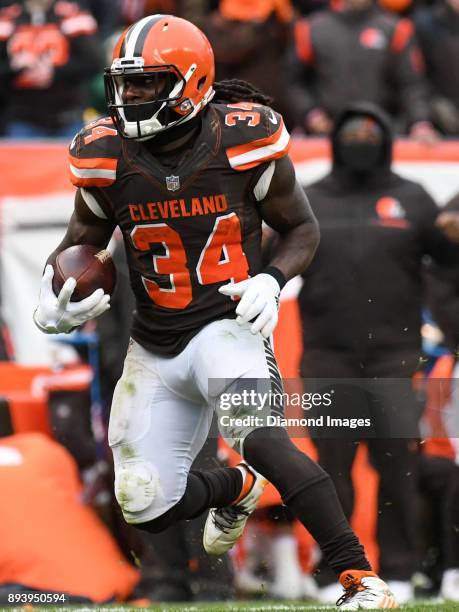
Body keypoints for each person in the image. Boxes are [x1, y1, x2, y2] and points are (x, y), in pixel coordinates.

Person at [33, 15, 397, 609]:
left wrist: (272, 279)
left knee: (262, 438)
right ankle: (236, 489)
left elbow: (301, 227)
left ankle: (361, 580)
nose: (131, 98)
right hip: (152, 343)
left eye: (148, 83)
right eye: (125, 84)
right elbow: (83, 239)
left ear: (192, 81)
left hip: (227, 327)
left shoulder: (241, 137)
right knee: (144, 505)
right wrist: (54, 298)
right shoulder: (103, 153)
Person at [297, 102, 459, 603]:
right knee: (331, 477)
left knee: (398, 474)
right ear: (336, 138)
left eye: (372, 131)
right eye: (353, 131)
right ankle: (337, 575)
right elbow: (269, 258)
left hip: (395, 359)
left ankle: (403, 571)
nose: (362, 139)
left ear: (386, 137)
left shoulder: (412, 198)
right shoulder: (308, 200)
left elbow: (448, 260)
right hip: (328, 360)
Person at [286, 0, 437, 141]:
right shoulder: (310, 28)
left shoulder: (396, 28)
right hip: (326, 135)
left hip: (383, 134)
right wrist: (310, 114)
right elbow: (293, 80)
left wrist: (420, 122)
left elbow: (412, 83)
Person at [0, 0, 102, 138]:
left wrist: (54, 72)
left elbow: (93, 62)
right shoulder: (6, 19)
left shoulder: (73, 15)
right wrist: (13, 68)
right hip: (22, 118)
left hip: (68, 116)